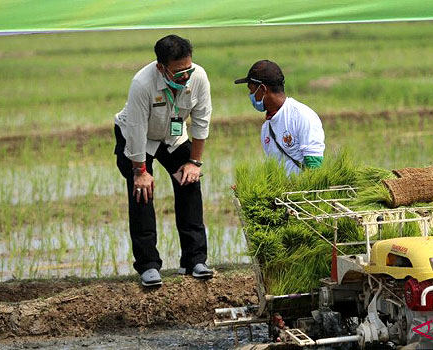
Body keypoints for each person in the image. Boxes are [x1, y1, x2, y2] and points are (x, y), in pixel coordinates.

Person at [114, 34, 213, 287]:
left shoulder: (198, 77)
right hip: (138, 138)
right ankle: (148, 265)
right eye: (178, 72)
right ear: (161, 68)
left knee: (189, 182)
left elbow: (201, 122)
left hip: (172, 136)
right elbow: (136, 130)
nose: (185, 76)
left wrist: (194, 163)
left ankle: (194, 261)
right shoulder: (142, 83)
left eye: (188, 69)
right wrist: (140, 171)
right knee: (141, 193)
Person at [235, 60, 325, 176]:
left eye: (251, 89)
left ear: (262, 89)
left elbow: (315, 167)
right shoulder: (266, 128)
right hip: (284, 194)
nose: (250, 95)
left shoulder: (302, 116)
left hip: (303, 193)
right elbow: (275, 171)